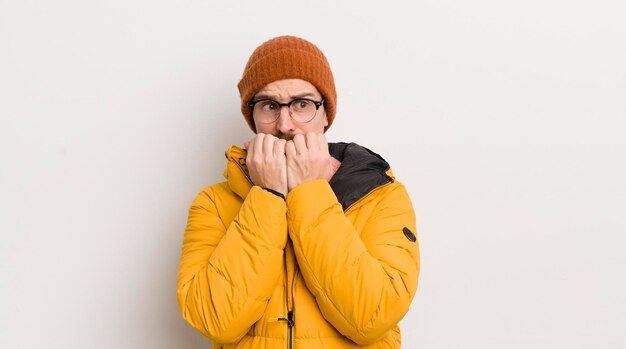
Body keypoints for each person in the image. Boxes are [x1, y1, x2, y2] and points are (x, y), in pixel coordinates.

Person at [176, 35, 420, 349]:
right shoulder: (213, 203)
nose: (285, 124)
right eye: (269, 106)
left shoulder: (381, 195)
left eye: (302, 104)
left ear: (326, 114)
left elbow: (371, 317)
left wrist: (309, 191)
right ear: (253, 117)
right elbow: (214, 320)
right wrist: (268, 195)